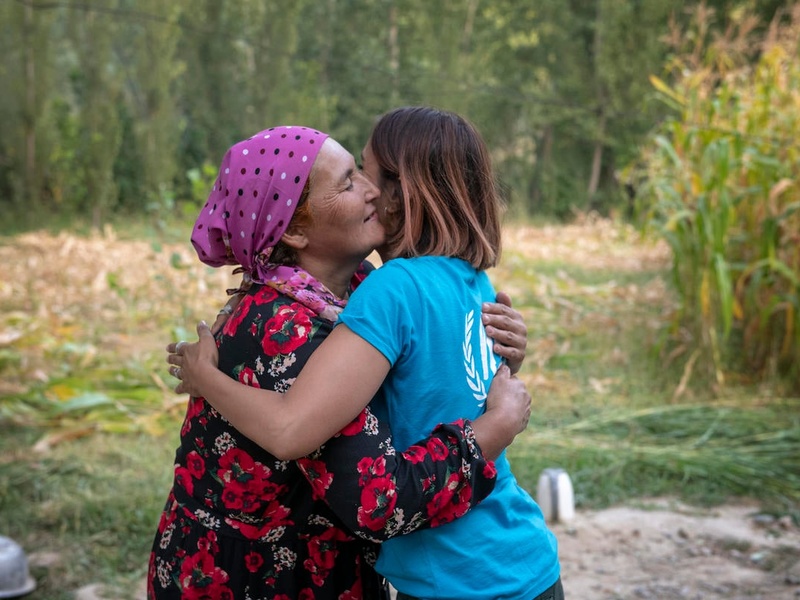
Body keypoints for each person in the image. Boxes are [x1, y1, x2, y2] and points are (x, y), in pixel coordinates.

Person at [169, 107, 563, 599]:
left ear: (409, 190)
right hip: (266, 578)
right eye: (351, 179)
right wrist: (493, 425)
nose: (370, 189)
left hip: (462, 574)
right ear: (292, 229)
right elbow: (330, 456)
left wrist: (503, 377)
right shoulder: (300, 321)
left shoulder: (378, 289)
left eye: (366, 172)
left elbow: (437, 384)